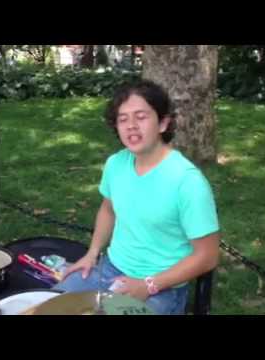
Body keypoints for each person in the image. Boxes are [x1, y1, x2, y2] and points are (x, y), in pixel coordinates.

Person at [53, 79, 220, 315]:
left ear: (163, 123)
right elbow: (108, 209)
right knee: (50, 305)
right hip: (109, 268)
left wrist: (148, 285)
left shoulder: (188, 182)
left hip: (161, 286)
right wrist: (92, 254)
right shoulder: (116, 163)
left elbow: (208, 256)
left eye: (141, 117)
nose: (131, 125)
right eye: (123, 119)